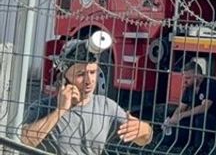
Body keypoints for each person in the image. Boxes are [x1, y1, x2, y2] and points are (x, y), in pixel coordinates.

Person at [20, 36, 154, 154]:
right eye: (81, 74)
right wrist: (60, 111)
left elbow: (145, 139)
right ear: (63, 78)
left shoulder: (105, 107)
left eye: (92, 72)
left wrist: (144, 131)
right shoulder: (44, 107)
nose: (89, 81)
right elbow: (23, 140)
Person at [161, 58, 216, 150]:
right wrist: (173, 119)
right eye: (184, 78)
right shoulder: (190, 87)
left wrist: (182, 115)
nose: (185, 81)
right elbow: (181, 107)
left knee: (201, 119)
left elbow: (204, 108)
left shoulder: (210, 84)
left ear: (197, 76)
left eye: (188, 78)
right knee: (166, 139)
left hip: (213, 120)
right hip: (194, 119)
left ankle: (200, 148)